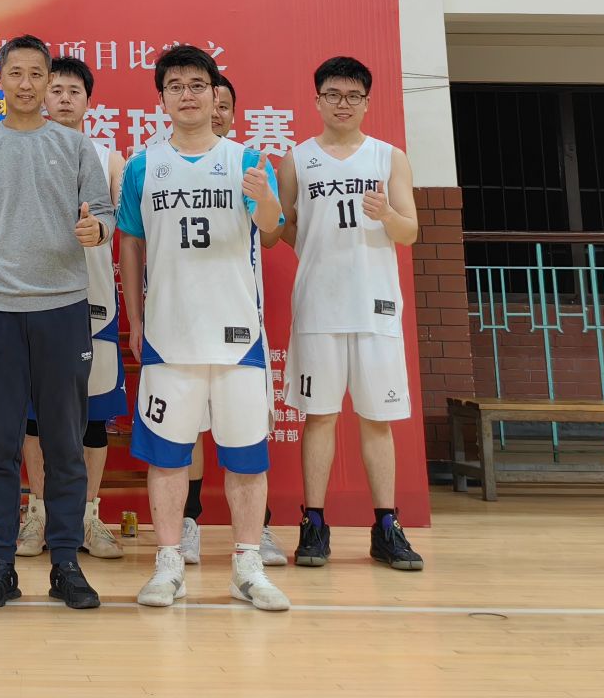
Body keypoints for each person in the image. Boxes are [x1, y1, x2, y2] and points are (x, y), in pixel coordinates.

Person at [119, 46, 288, 611]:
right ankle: (169, 563)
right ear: (161, 98)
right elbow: (131, 244)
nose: (187, 95)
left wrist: (266, 201)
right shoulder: (143, 166)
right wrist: (135, 319)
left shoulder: (248, 160)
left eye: (197, 84)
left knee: (246, 458)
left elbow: (271, 233)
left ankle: (247, 566)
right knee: (167, 457)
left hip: (238, 337)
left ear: (216, 95)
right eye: (175, 86)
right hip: (169, 336)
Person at [0, 35, 111, 611]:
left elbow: (104, 213)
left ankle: (65, 562)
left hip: (63, 310)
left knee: (65, 444)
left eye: (36, 74)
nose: (25, 84)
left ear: (48, 82)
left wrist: (97, 229)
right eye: (15, 73)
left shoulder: (75, 145)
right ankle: (0, 564)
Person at [278, 55, 424, 572]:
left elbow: (411, 231)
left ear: (366, 102)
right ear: (317, 100)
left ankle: (386, 526)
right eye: (333, 95)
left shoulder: (389, 157)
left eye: (353, 96)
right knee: (319, 416)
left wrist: (387, 215)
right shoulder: (297, 159)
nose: (343, 104)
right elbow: (283, 225)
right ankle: (314, 523)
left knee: (377, 418)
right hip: (318, 304)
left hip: (374, 306)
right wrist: (315, 246)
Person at [15, 55, 127, 562]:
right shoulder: (19, 151)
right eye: (55, 89)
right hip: (31, 299)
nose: (63, 98)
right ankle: (38, 512)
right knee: (34, 418)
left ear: (88, 101)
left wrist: (95, 229)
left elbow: (122, 230)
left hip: (94, 301)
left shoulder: (109, 159)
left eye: (73, 91)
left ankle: (86, 514)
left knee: (93, 417)